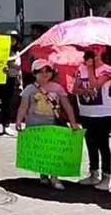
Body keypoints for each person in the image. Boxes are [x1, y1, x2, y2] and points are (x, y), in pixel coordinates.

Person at [15, 59, 79, 190]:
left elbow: (67, 105)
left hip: (53, 124)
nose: (44, 74)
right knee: (41, 150)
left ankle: (54, 177)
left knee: (54, 150)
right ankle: (43, 174)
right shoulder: (29, 89)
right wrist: (18, 120)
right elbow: (23, 106)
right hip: (34, 125)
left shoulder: (57, 88)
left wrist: (73, 122)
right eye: (40, 71)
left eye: (47, 70)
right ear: (34, 73)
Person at [75, 48, 111, 189]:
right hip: (86, 112)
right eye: (88, 54)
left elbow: (96, 84)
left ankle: (107, 176)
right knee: (91, 143)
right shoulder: (80, 69)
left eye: (94, 54)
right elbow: (75, 89)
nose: (91, 56)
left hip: (103, 114)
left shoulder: (107, 69)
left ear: (101, 53)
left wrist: (90, 68)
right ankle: (93, 173)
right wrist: (84, 90)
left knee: (103, 144)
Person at [0, 31, 22, 136]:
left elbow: (18, 68)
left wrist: (9, 64)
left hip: (10, 81)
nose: (11, 42)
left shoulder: (16, 53)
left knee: (7, 104)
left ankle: (6, 126)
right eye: (9, 39)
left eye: (13, 39)